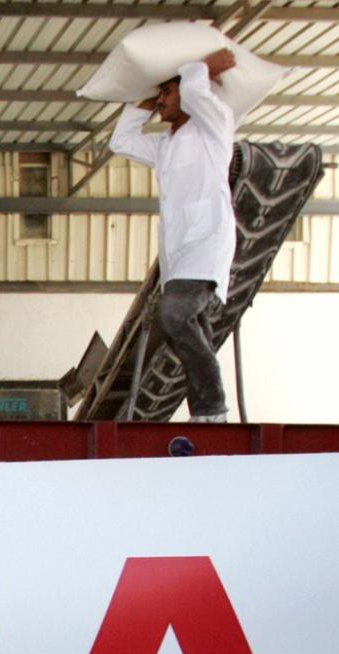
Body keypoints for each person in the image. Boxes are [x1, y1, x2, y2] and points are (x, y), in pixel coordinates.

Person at [109, 48, 239, 423]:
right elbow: (121, 141)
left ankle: (212, 406)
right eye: (161, 96)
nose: (162, 102)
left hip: (206, 242)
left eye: (167, 94)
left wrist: (200, 69)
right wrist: (147, 101)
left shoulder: (213, 126)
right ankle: (207, 413)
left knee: (175, 314)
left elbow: (198, 95)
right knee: (191, 324)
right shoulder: (165, 144)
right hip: (178, 252)